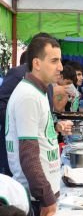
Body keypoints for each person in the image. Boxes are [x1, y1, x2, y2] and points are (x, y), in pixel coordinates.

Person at [6, 37, 73, 216]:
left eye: (60, 60)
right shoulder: (28, 95)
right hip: (35, 198)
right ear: (36, 63)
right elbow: (28, 155)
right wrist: (46, 198)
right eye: (54, 61)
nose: (60, 67)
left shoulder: (39, 91)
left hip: (43, 192)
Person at [0, 33, 55, 176]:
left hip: (42, 152)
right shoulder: (18, 74)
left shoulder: (47, 82)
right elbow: (1, 104)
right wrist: (24, 120)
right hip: (18, 150)